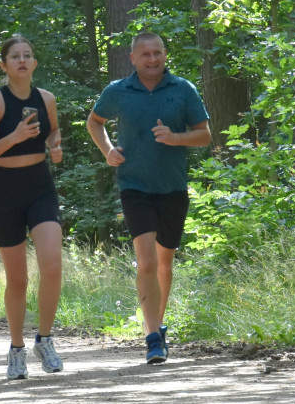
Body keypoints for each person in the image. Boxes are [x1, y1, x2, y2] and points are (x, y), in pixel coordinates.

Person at [85, 32, 210, 364]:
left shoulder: (183, 89)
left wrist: (175, 138)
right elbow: (94, 123)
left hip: (172, 187)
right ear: (133, 58)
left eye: (157, 53)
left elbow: (205, 135)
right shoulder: (118, 91)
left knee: (165, 265)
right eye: (145, 54)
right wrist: (108, 150)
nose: (152, 60)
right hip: (134, 186)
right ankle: (152, 337)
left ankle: (157, 323)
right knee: (147, 261)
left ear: (165, 54)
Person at [0, 35, 65, 379]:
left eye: (28, 55)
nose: (22, 61)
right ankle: (16, 349)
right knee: (18, 279)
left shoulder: (47, 99)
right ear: (4, 65)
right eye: (15, 56)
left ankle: (45, 339)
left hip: (40, 186)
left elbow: (54, 133)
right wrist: (13, 137)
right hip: (5, 191)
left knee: (52, 264)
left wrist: (55, 148)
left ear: (35, 64)